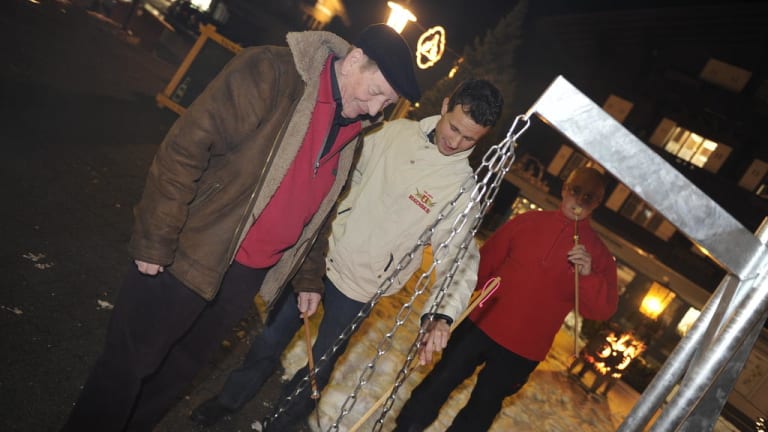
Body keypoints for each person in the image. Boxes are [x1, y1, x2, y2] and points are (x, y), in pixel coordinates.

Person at [61, 23, 421, 432]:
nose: (374, 109)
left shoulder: (354, 130)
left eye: (385, 104)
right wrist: (157, 237)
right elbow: (184, 150)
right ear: (354, 60)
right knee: (127, 367)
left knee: (177, 374)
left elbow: (319, 211)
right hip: (190, 249)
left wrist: (307, 277)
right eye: (375, 93)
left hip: (244, 277)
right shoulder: (272, 72)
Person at [189, 79, 504, 430]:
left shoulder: (461, 189)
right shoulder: (395, 134)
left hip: (361, 285)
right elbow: (341, 174)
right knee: (270, 339)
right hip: (320, 258)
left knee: (319, 366)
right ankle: (228, 400)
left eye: (469, 139)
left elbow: (459, 257)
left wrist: (442, 316)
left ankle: (278, 426)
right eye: (454, 128)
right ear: (445, 106)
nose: (455, 142)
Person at [394, 166, 619, 432]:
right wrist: (448, 305)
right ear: (564, 189)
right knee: (440, 381)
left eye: (588, 198)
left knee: (483, 408)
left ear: (598, 203)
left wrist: (588, 275)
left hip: (524, 349)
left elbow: (601, 311)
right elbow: (482, 266)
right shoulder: (529, 222)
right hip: (481, 323)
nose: (579, 201)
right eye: (575, 191)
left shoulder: (598, 256)